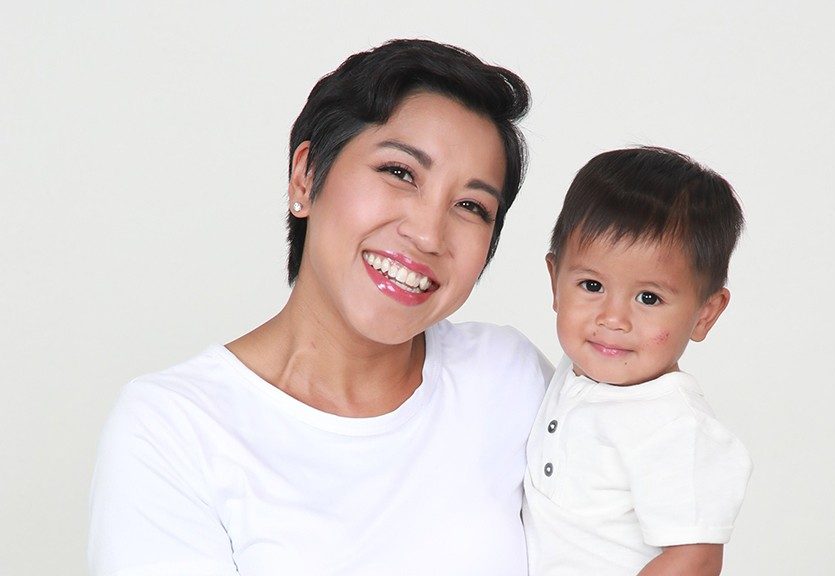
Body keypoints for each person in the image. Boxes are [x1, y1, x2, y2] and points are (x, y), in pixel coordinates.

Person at [88, 39, 551, 576]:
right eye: (400, 173)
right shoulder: (173, 429)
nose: (428, 234)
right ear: (306, 177)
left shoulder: (508, 379)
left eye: (471, 206)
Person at [522, 147, 753, 576]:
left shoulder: (675, 427)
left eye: (649, 298)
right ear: (555, 283)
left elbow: (694, 559)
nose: (613, 318)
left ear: (705, 313)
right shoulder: (571, 378)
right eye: (591, 285)